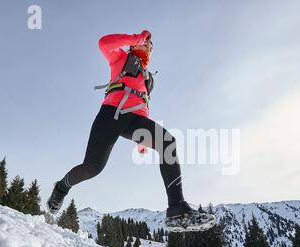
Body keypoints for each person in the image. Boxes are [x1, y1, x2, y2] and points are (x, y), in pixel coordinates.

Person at [47, 30, 215, 231]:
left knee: (167, 142)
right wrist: (137, 37)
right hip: (110, 115)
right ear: (135, 44)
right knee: (92, 168)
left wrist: (143, 141)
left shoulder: (147, 79)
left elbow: (142, 107)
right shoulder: (121, 58)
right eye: (146, 43)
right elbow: (103, 43)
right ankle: (62, 187)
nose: (148, 47)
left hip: (135, 120)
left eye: (151, 46)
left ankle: (177, 209)